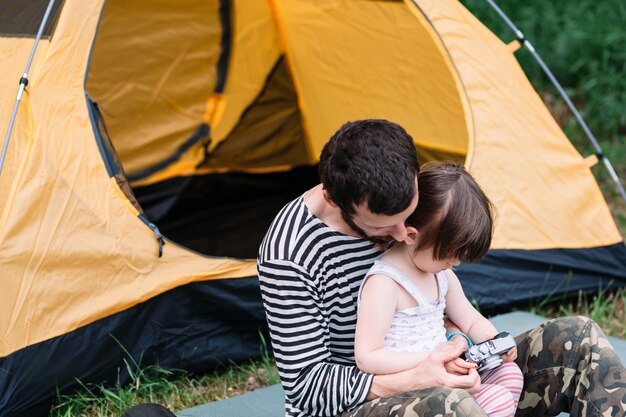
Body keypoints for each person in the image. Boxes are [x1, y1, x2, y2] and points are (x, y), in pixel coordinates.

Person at [257, 119, 626, 417]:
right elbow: (307, 388)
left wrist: (462, 338)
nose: (403, 234)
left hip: (446, 364)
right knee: (450, 405)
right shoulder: (289, 256)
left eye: (408, 217)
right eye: (384, 227)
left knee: (578, 338)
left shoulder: (392, 186)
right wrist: (416, 376)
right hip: (360, 403)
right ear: (333, 198)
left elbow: (437, 294)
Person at [354, 162, 523, 417]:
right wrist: (430, 360)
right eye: (449, 254)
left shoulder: (441, 274)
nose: (455, 263)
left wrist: (493, 340)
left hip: (445, 371)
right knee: (496, 400)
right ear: (411, 236)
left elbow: (469, 317)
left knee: (510, 373)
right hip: (408, 389)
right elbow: (367, 357)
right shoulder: (385, 284)